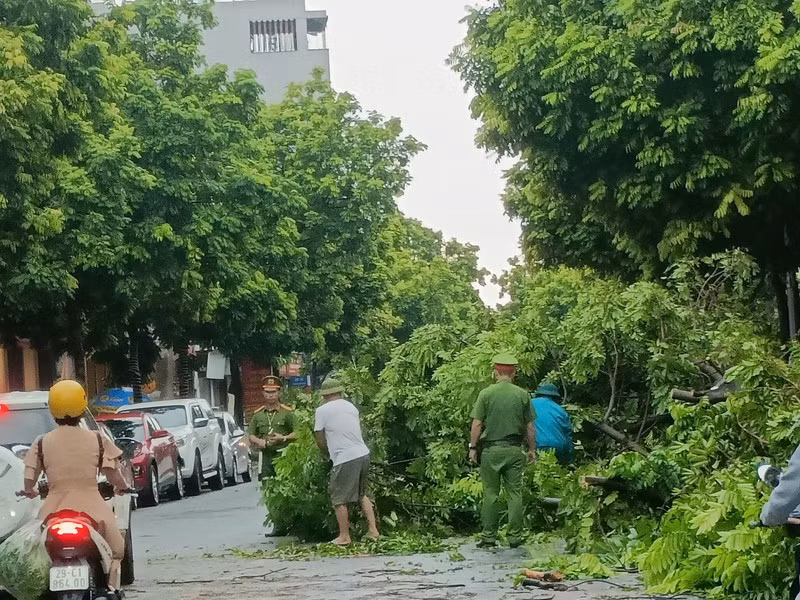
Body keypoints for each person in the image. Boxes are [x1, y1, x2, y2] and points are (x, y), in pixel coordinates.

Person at [21, 380, 130, 600]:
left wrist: (30, 491)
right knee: (117, 549)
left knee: (35, 552)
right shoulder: (97, 439)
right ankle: (110, 589)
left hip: (52, 510)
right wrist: (122, 487)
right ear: (82, 407)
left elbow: (29, 478)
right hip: (92, 507)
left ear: (52, 408)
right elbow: (113, 473)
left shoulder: (42, 443)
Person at [469, 352, 536, 549]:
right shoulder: (522, 395)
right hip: (514, 450)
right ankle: (514, 537)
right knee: (514, 492)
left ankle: (489, 536)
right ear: (514, 372)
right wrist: (532, 449)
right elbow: (530, 427)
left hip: (491, 450)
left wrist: (473, 448)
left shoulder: (486, 394)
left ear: (495, 372)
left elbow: (477, 424)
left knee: (490, 493)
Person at [314, 374, 380, 546]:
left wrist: (327, 454)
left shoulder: (322, 411)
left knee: (338, 497)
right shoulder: (351, 407)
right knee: (361, 494)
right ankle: (373, 530)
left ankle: (344, 536)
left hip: (345, 457)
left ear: (324, 395)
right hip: (363, 454)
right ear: (340, 392)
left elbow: (319, 438)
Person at [248, 375, 296, 480]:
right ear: (263, 393)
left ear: (279, 393)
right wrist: (259, 441)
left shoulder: (287, 413)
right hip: (265, 455)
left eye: (273, 392)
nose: (271, 395)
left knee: (283, 482)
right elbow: (251, 434)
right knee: (267, 483)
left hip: (283, 454)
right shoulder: (258, 414)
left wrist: (283, 438)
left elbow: (297, 433)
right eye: (268, 392)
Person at [531, 383, 574, 464]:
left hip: (539, 445)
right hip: (559, 447)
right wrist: (569, 460)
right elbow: (568, 436)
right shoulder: (561, 410)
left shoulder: (530, 404)